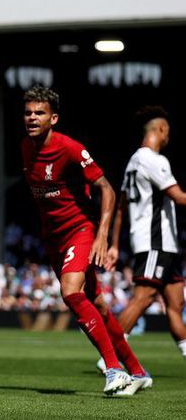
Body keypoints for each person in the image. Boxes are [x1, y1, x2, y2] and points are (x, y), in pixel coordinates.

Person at [20, 86, 148, 395]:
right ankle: (138, 371)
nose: (32, 118)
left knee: (71, 293)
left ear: (54, 117)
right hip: (53, 239)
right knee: (99, 307)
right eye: (28, 112)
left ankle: (114, 369)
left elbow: (107, 188)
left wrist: (101, 235)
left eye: (39, 113)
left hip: (80, 229)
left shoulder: (70, 148)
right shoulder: (26, 147)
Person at [104, 106, 186, 365]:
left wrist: (115, 245)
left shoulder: (133, 162)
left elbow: (120, 208)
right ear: (160, 130)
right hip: (155, 241)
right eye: (168, 132)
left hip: (163, 243)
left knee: (175, 302)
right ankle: (110, 356)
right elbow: (180, 198)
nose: (168, 136)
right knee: (144, 296)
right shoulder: (154, 160)